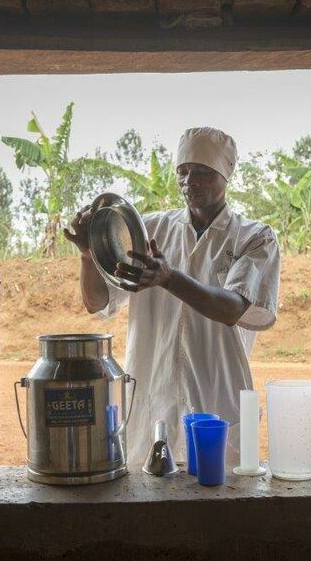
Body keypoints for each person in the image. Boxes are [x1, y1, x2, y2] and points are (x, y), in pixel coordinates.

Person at [63, 127, 281, 462]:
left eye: (204, 172)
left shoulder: (253, 238)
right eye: (183, 171)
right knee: (147, 494)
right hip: (152, 393)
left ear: (226, 175)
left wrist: (168, 278)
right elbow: (97, 302)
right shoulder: (147, 230)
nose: (189, 181)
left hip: (217, 400)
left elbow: (232, 308)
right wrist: (87, 254)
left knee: (219, 495)